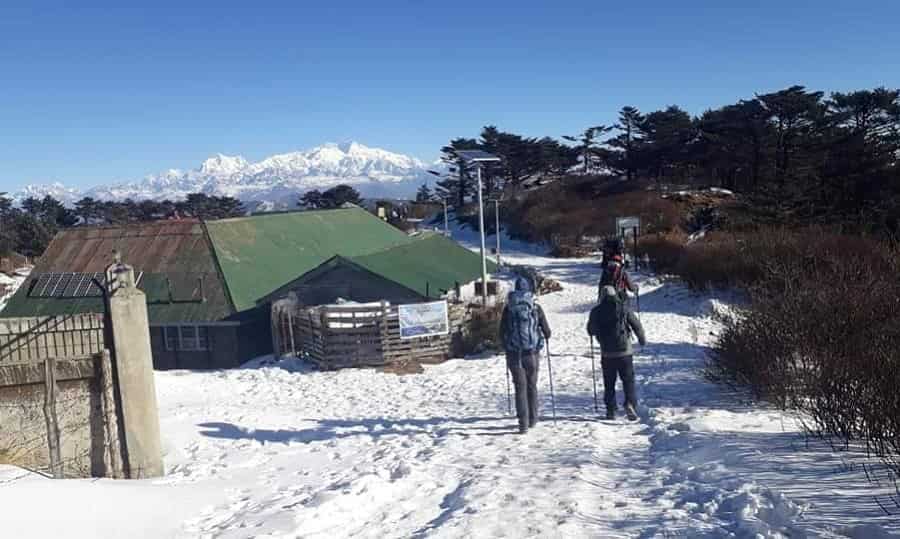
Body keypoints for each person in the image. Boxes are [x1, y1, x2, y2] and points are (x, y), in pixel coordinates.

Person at [499, 277, 552, 434]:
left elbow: (501, 332)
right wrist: (543, 337)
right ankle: (533, 419)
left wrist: (507, 345)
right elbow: (547, 332)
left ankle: (523, 424)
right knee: (531, 385)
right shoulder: (535, 308)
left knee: (520, 388)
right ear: (529, 289)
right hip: (532, 354)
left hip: (514, 354)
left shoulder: (509, 308)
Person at [587, 284, 647, 421]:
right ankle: (630, 404)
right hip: (625, 351)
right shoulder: (623, 308)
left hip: (607, 353)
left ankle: (610, 409)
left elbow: (591, 330)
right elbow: (636, 325)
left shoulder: (596, 311)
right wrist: (642, 339)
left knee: (609, 382)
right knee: (628, 380)